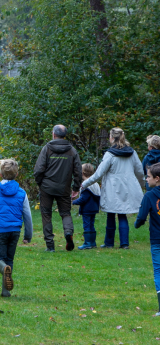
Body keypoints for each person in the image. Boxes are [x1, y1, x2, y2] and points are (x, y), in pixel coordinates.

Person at [81, 127, 145, 249]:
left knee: (111, 215)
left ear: (111, 138)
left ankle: (109, 243)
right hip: (128, 187)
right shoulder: (132, 152)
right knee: (122, 215)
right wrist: (143, 185)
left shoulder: (110, 154)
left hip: (113, 188)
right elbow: (139, 171)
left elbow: (98, 174)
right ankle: (124, 243)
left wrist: (84, 184)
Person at [0, 159, 33, 298]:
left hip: (0, 230)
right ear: (16, 175)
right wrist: (28, 235)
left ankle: (4, 269)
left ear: (0, 174)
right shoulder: (22, 193)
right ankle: (5, 291)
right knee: (9, 259)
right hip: (15, 231)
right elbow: (27, 215)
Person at [33, 124, 83, 252]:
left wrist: (41, 183)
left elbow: (38, 170)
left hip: (47, 188)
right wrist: (76, 187)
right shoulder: (72, 150)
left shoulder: (47, 149)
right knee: (66, 213)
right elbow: (78, 170)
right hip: (64, 188)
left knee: (46, 215)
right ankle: (68, 233)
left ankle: (50, 246)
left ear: (54, 134)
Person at [134, 163, 160, 316]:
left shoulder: (149, 196)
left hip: (157, 239)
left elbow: (141, 216)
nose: (146, 179)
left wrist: (138, 224)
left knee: (158, 270)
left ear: (157, 179)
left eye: (148, 176)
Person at [72, 163, 101, 250]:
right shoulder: (95, 183)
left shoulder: (86, 185)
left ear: (83, 173)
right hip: (94, 208)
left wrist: (73, 202)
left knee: (87, 226)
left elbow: (83, 199)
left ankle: (87, 243)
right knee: (91, 225)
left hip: (87, 209)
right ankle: (93, 242)